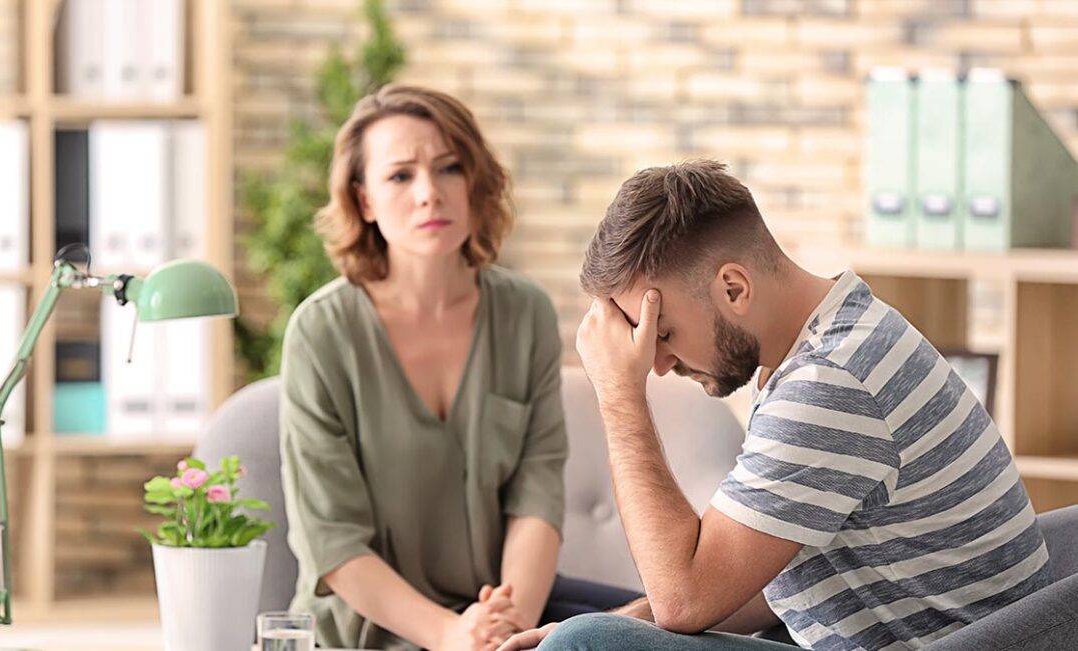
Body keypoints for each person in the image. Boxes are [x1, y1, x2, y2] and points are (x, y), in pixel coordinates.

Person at [500, 160, 1050, 651]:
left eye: (662, 332)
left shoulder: (828, 383)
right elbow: (759, 577)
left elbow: (682, 599)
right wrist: (630, 625)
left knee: (584, 645)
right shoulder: (839, 336)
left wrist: (617, 392)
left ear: (734, 288)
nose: (658, 365)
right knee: (594, 633)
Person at [279, 84, 638, 651]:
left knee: (662, 628)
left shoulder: (524, 313)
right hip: (372, 627)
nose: (430, 193)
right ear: (364, 200)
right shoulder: (321, 332)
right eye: (400, 176)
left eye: (449, 168)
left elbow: (536, 497)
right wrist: (450, 634)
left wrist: (506, 626)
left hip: (502, 611)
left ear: (475, 182)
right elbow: (332, 540)